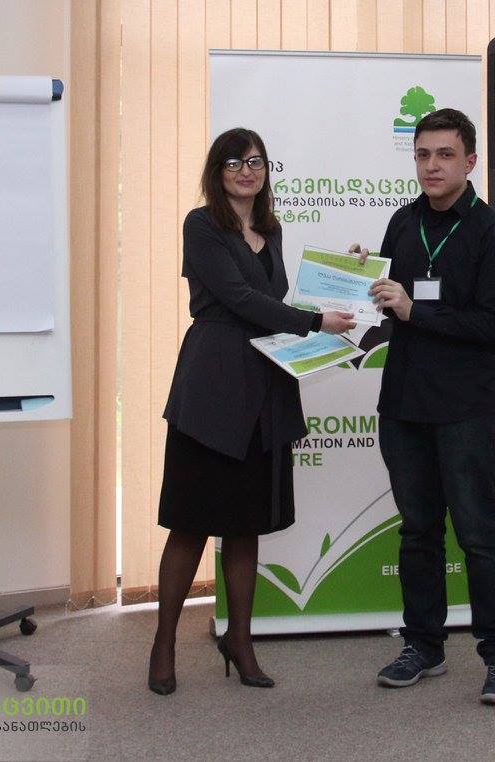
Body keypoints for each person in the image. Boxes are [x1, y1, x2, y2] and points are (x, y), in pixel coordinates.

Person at [148, 128, 355, 696]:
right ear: (218, 171)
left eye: (256, 161)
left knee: (246, 526)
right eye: (235, 162)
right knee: (190, 523)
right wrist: (314, 322)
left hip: (264, 383)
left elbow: (277, 299)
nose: (247, 171)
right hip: (213, 385)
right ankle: (163, 644)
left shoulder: (272, 228)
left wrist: (347, 279)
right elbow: (239, 299)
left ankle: (240, 641)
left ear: (266, 171)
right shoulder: (201, 224)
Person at [351, 108, 495, 705]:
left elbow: (489, 326)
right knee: (417, 531)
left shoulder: (492, 233)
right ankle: (423, 645)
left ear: (470, 161)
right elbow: (387, 309)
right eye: (422, 154)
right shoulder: (402, 223)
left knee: (477, 532)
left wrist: (413, 310)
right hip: (404, 402)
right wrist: (360, 280)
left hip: (464, 406)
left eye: (445, 154)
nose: (432, 165)